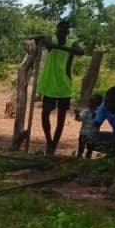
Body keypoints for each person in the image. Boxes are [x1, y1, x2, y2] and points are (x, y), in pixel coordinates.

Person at [35, 20, 84, 155]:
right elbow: (44, 41)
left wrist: (58, 47)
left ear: (67, 32)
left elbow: (81, 51)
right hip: (50, 84)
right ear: (56, 31)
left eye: (64, 31)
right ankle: (49, 141)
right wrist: (41, 39)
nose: (61, 33)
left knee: (61, 118)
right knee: (45, 114)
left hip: (64, 86)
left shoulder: (72, 43)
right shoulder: (52, 39)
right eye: (59, 30)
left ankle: (54, 144)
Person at [75, 92, 103, 159]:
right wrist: (77, 114)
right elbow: (79, 119)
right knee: (81, 147)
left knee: (90, 148)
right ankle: (79, 157)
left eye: (92, 101)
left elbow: (98, 120)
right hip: (84, 133)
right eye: (90, 101)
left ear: (98, 103)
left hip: (93, 133)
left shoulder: (99, 111)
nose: (90, 103)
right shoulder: (86, 111)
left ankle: (87, 158)